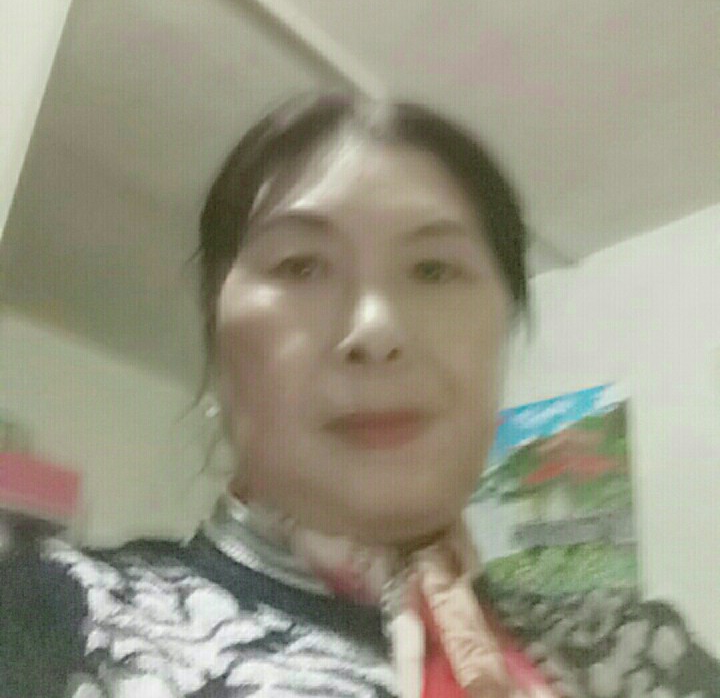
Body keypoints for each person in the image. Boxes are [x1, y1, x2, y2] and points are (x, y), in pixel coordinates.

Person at [1, 92, 718, 698]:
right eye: (301, 265)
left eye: (433, 270)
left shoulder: (631, 654)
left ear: (502, 334)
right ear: (219, 346)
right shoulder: (55, 616)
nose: (376, 330)